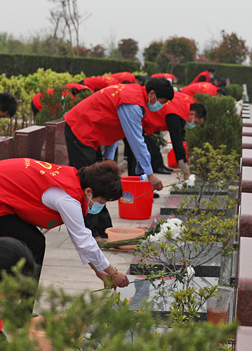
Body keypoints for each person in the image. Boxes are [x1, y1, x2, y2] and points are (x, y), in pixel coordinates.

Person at [0, 157, 129, 289]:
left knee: (31, 242)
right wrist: (113, 273)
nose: (102, 206)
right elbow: (83, 240)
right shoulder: (67, 198)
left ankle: (12, 297)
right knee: (34, 244)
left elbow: (79, 238)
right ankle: (18, 304)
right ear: (89, 191)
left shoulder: (71, 180)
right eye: (103, 200)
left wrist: (98, 271)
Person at [63, 78, 174, 239]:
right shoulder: (133, 103)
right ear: (152, 94)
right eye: (161, 102)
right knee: (89, 184)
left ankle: (104, 229)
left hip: (91, 135)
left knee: (100, 180)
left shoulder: (134, 96)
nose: (160, 106)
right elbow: (137, 141)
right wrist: (150, 174)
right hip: (80, 131)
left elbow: (115, 129)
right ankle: (90, 234)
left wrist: (107, 161)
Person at [141, 92, 207, 175]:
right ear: (192, 114)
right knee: (139, 154)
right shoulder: (176, 115)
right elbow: (177, 144)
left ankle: (157, 166)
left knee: (150, 146)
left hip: (149, 115)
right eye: (196, 122)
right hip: (142, 117)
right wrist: (186, 171)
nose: (194, 125)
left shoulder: (188, 103)